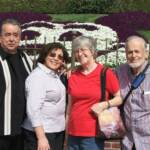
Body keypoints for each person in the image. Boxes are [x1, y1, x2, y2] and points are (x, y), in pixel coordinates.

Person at [66, 36, 122, 150]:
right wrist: (67, 132)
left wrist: (104, 104)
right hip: (73, 133)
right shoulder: (73, 75)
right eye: (76, 51)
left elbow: (119, 98)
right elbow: (70, 106)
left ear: (92, 51)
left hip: (93, 134)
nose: (79, 53)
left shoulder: (105, 73)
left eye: (83, 50)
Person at [22, 42, 69, 150]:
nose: (56, 58)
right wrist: (41, 137)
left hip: (54, 132)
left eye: (60, 57)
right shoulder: (38, 77)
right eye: (52, 55)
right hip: (40, 133)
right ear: (44, 56)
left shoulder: (54, 75)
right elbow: (33, 109)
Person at [0, 18, 33, 150]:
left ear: (20, 38)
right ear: (0, 38)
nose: (12, 39)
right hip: (1, 130)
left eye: (15, 35)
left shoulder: (25, 58)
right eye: (7, 35)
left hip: (22, 129)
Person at [116, 35, 150, 150]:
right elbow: (100, 77)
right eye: (130, 52)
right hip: (128, 141)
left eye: (137, 51)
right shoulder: (120, 71)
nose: (133, 55)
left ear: (146, 53)